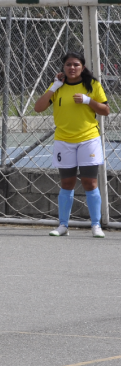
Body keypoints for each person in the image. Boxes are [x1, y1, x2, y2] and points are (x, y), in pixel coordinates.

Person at [33, 51, 110, 237]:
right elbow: (38, 108)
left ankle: (95, 225)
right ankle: (63, 226)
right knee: (67, 182)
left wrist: (88, 100)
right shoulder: (57, 86)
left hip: (88, 139)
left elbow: (106, 110)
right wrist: (53, 87)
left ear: (82, 67)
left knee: (90, 183)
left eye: (76, 64)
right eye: (68, 64)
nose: (72, 68)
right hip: (64, 141)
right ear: (63, 67)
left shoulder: (92, 85)